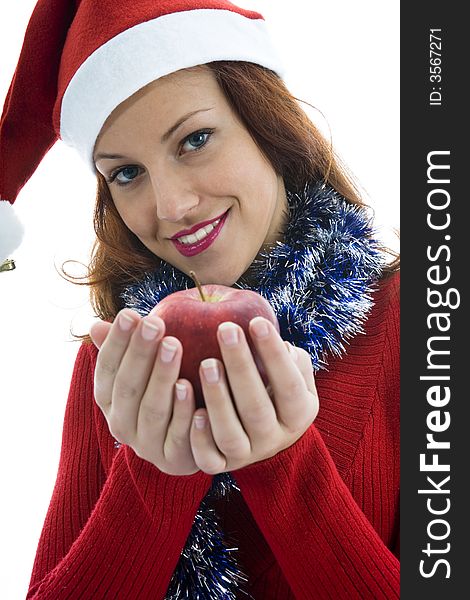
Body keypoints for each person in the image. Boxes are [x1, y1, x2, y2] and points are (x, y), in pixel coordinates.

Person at [0, 1, 400, 598]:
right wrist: (154, 473)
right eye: (127, 174)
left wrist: (284, 463)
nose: (170, 208)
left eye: (195, 139)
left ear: (269, 127)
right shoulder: (120, 362)